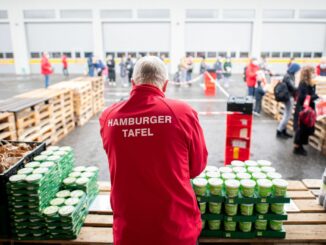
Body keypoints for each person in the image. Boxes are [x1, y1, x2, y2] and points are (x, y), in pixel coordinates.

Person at [99, 56, 208, 245]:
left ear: (132, 83)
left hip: (129, 232)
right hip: (176, 230)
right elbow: (196, 167)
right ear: (165, 85)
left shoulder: (108, 117)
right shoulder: (183, 113)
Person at [293, 66, 319, 156]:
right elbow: (302, 98)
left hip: (307, 109)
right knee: (301, 129)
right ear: (308, 73)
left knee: (304, 129)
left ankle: (300, 146)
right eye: (313, 72)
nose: (314, 74)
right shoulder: (303, 84)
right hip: (303, 110)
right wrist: (314, 96)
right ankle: (297, 147)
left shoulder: (310, 83)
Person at [276, 63, 301, 139]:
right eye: (298, 70)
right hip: (289, 98)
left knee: (286, 114)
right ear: (294, 69)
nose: (298, 71)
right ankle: (279, 131)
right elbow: (293, 88)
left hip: (289, 97)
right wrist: (299, 86)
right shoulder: (289, 77)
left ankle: (283, 130)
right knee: (287, 115)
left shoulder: (289, 75)